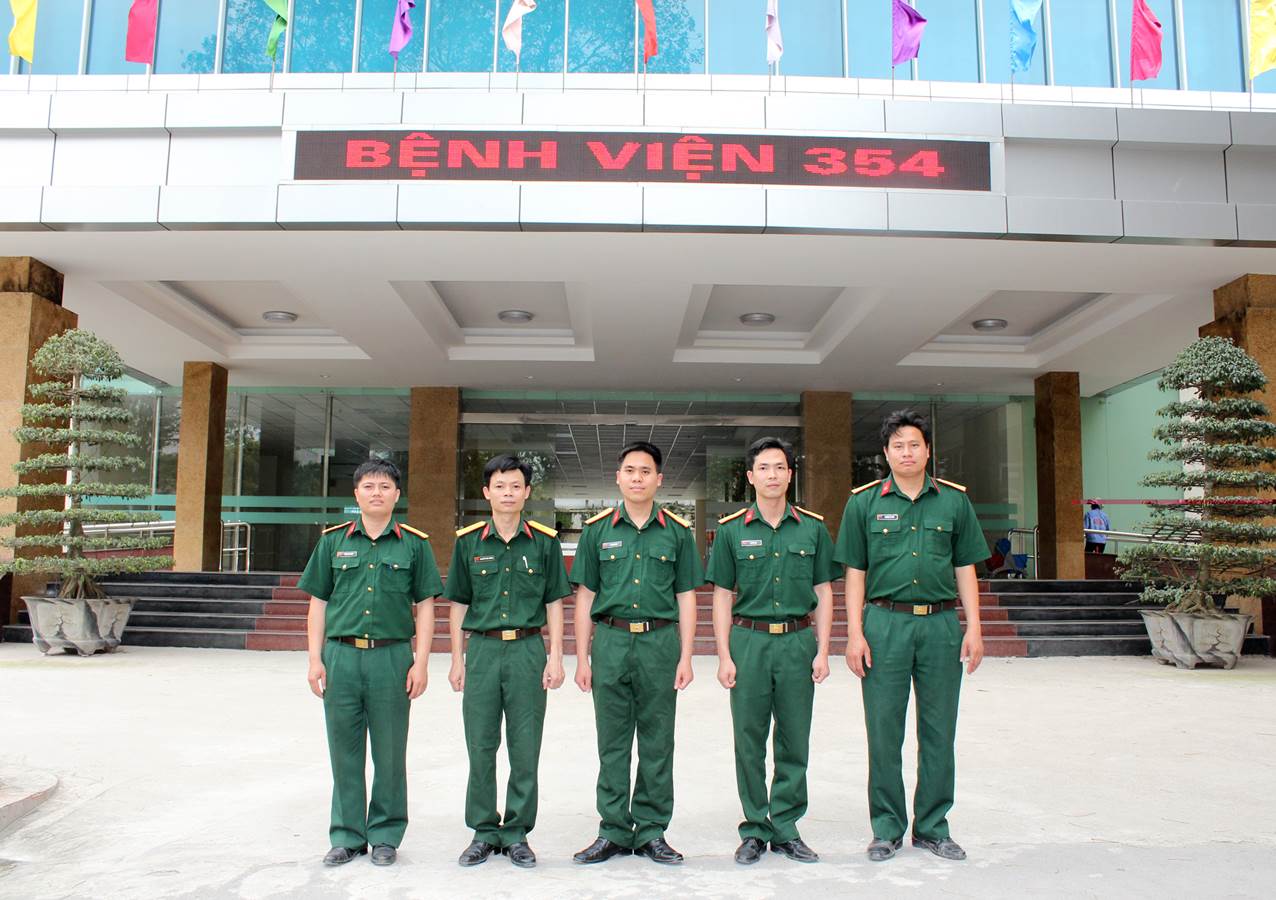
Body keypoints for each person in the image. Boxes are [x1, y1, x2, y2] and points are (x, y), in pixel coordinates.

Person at [834, 410, 987, 863]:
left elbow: (966, 568)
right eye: (897, 445)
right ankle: (886, 828)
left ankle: (933, 827)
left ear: (927, 450)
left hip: (940, 626)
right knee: (884, 731)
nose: (906, 452)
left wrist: (974, 628)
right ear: (885, 453)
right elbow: (854, 573)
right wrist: (854, 634)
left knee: (940, 730)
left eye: (914, 444)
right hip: (885, 624)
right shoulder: (862, 503)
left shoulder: (954, 502)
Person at [299, 458, 442, 867]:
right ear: (356, 493)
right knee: (344, 750)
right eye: (368, 486)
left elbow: (427, 607)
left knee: (390, 751)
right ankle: (346, 835)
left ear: (397, 494)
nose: (376, 492)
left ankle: (385, 835)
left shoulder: (415, 544)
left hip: (393, 657)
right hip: (340, 656)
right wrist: (315, 659)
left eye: (384, 486)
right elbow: (318, 603)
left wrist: (421, 662)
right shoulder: (332, 541)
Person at [570, 440, 704, 866]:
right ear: (618, 477)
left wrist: (685, 656)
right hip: (609, 642)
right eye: (630, 470)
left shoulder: (678, 533)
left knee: (657, 741)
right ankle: (612, 830)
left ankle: (650, 830)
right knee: (612, 742)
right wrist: (582, 658)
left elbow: (687, 597)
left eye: (646, 471)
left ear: (659, 479)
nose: (637, 478)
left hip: (659, 644)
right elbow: (586, 597)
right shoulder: (597, 531)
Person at [705, 436, 837, 866]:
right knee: (749, 738)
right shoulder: (731, 531)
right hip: (750, 641)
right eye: (764, 468)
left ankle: (786, 826)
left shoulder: (812, 528)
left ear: (790, 474)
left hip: (799, 640)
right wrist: (724, 654)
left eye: (780, 467)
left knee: (795, 737)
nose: (772, 475)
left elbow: (824, 589)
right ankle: (754, 829)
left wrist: (823, 649)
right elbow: (722, 595)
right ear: (750, 477)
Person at [444, 454, 571, 869]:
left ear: (527, 492)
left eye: (516, 485)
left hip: (528, 651)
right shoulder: (468, 542)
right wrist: (457, 660)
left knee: (524, 746)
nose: (508, 493)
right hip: (481, 651)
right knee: (480, 744)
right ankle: (483, 831)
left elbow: (554, 602)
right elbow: (458, 605)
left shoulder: (545, 542)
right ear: (487, 492)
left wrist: (555, 656)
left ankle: (517, 832)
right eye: (500, 486)